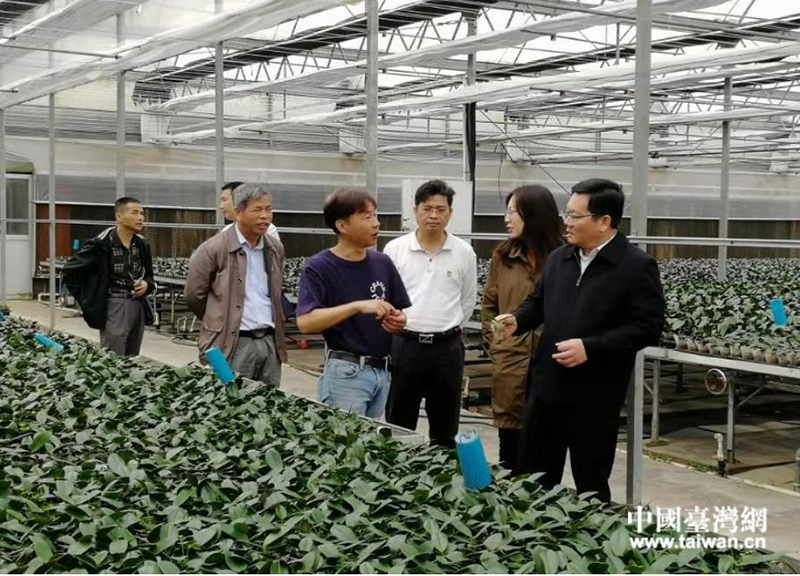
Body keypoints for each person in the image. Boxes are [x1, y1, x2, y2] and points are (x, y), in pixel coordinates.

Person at [495, 178, 665, 503]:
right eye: (567, 213)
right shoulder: (560, 258)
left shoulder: (634, 266)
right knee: (535, 480)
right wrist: (518, 319)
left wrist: (591, 348)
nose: (567, 222)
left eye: (575, 216)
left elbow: (647, 327)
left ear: (604, 221)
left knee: (590, 483)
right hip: (546, 387)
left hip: (594, 396)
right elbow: (538, 301)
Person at [296, 188, 411, 418]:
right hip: (346, 374)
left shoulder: (383, 263)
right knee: (346, 439)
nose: (376, 223)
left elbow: (398, 312)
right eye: (367, 217)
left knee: (372, 439)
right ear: (342, 225)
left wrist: (399, 320)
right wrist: (357, 306)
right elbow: (306, 322)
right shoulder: (320, 267)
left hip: (383, 372)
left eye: (375, 215)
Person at [383, 179, 477, 448]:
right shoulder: (395, 249)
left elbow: (467, 300)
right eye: (427, 209)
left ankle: (442, 468)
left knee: (446, 426)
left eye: (440, 209)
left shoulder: (464, 252)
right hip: (405, 345)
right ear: (415, 211)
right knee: (399, 423)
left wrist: (447, 327)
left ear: (450, 213)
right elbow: (387, 298)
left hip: (447, 348)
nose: (433, 215)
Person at [481, 185, 564, 469]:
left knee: (546, 445)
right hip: (511, 361)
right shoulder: (503, 257)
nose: (507, 219)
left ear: (535, 214)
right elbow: (489, 306)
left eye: (513, 212)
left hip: (551, 362)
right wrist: (497, 341)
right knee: (510, 441)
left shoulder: (564, 258)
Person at [185, 183, 287, 386]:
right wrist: (220, 320)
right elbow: (193, 295)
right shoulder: (214, 248)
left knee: (268, 401)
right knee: (229, 398)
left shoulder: (274, 248)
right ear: (238, 212)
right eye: (257, 210)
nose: (265, 216)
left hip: (268, 341)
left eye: (268, 209)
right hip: (231, 343)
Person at [63, 197, 155, 356]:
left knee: (132, 356)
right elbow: (70, 270)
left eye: (142, 213)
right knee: (113, 356)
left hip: (137, 304)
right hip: (114, 304)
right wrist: (88, 299)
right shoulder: (101, 243)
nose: (140, 218)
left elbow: (149, 276)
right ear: (119, 217)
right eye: (135, 213)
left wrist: (147, 285)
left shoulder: (142, 243)